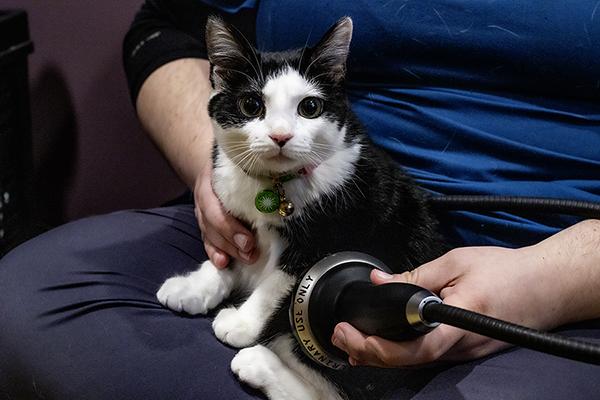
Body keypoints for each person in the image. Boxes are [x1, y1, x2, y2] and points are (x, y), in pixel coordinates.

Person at [1, 1, 599, 399]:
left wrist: (548, 284)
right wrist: (219, 172)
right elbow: (166, 25)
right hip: (267, 215)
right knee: (21, 302)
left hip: (546, 260)